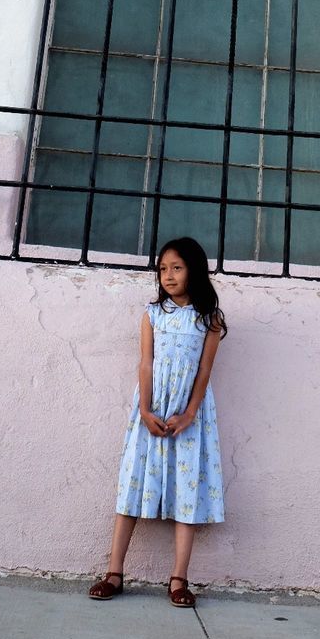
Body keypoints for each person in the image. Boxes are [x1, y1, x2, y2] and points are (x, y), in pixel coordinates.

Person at [88, 236, 228, 609]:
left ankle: (179, 578)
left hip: (188, 415)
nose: (168, 275)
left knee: (187, 490)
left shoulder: (209, 319)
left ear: (194, 271)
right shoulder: (152, 315)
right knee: (134, 483)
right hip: (150, 409)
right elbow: (146, 363)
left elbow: (204, 371)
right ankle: (114, 572)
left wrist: (190, 413)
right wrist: (146, 410)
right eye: (163, 269)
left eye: (176, 268)